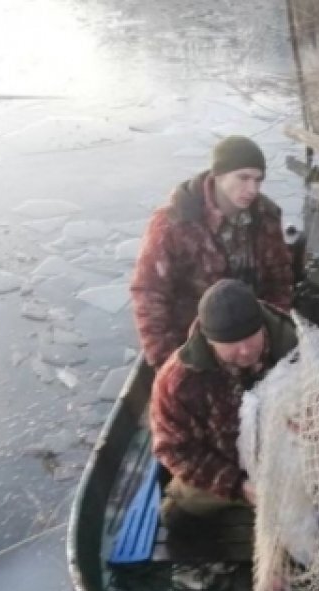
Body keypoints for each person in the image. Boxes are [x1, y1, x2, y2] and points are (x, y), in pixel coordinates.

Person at [131, 135, 294, 367]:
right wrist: (168, 363)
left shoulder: (266, 216)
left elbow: (280, 280)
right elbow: (149, 294)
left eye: (258, 180)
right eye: (243, 178)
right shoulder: (173, 222)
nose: (252, 189)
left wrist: (268, 339)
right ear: (218, 174)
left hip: (251, 339)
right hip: (194, 346)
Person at [150, 279, 297, 532]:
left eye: (251, 339)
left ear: (262, 327)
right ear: (209, 341)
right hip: (225, 469)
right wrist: (238, 485)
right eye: (232, 344)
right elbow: (175, 450)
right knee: (175, 519)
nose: (244, 352)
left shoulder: (295, 348)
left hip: (286, 462)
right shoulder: (177, 382)